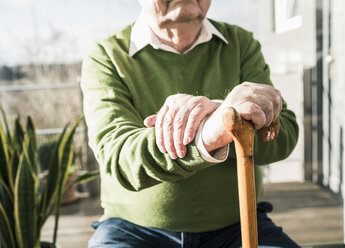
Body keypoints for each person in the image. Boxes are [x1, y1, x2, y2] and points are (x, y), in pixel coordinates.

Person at [81, 0, 300, 247]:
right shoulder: (107, 55)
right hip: (133, 229)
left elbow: (283, 136)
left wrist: (221, 115)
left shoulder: (240, 43)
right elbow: (119, 157)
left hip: (238, 225)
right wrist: (210, 131)